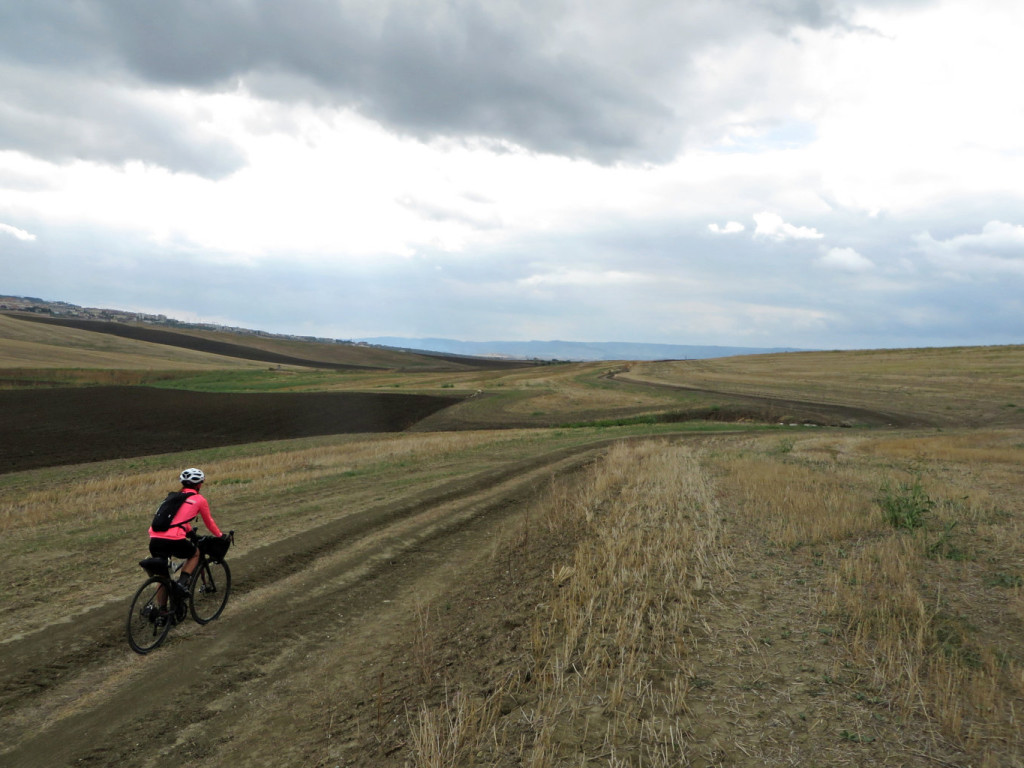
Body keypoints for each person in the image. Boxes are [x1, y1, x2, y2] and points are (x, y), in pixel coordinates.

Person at [149, 467, 226, 597]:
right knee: (195, 554)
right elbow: (209, 522)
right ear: (199, 484)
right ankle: (181, 585)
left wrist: (190, 533)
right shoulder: (199, 499)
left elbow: (178, 520)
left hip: (155, 540)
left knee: (163, 578)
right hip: (174, 540)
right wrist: (220, 535)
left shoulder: (172, 497)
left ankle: (162, 612)